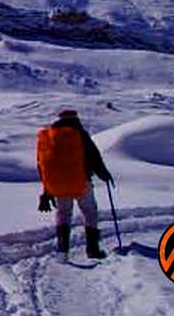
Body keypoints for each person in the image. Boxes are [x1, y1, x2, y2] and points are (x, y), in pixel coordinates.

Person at [36, 109, 113, 259]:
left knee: (63, 214)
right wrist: (104, 174)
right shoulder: (80, 134)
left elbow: (42, 165)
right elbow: (94, 157)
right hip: (81, 182)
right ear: (75, 119)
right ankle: (93, 250)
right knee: (89, 212)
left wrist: (47, 191)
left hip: (58, 185)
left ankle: (62, 251)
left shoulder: (49, 137)